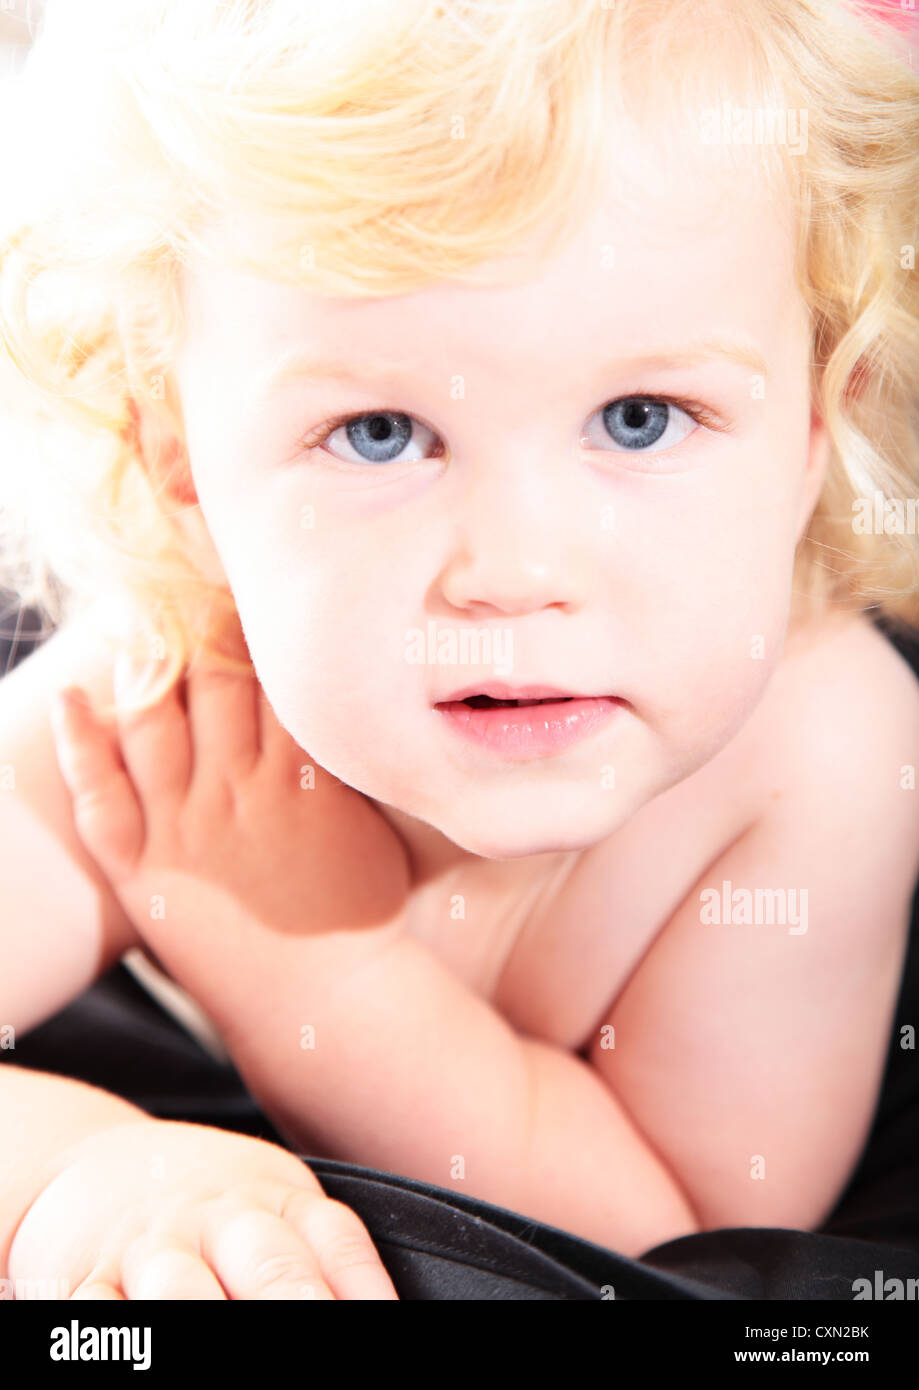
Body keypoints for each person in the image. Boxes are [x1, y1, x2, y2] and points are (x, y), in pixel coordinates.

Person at [0, 0, 917, 1301]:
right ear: (179, 458)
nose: (518, 571)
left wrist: (313, 972)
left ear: (820, 424)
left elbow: (690, 1224)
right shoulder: (175, 707)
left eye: (642, 417)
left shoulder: (822, 754)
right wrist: (70, 1167)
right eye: (382, 431)